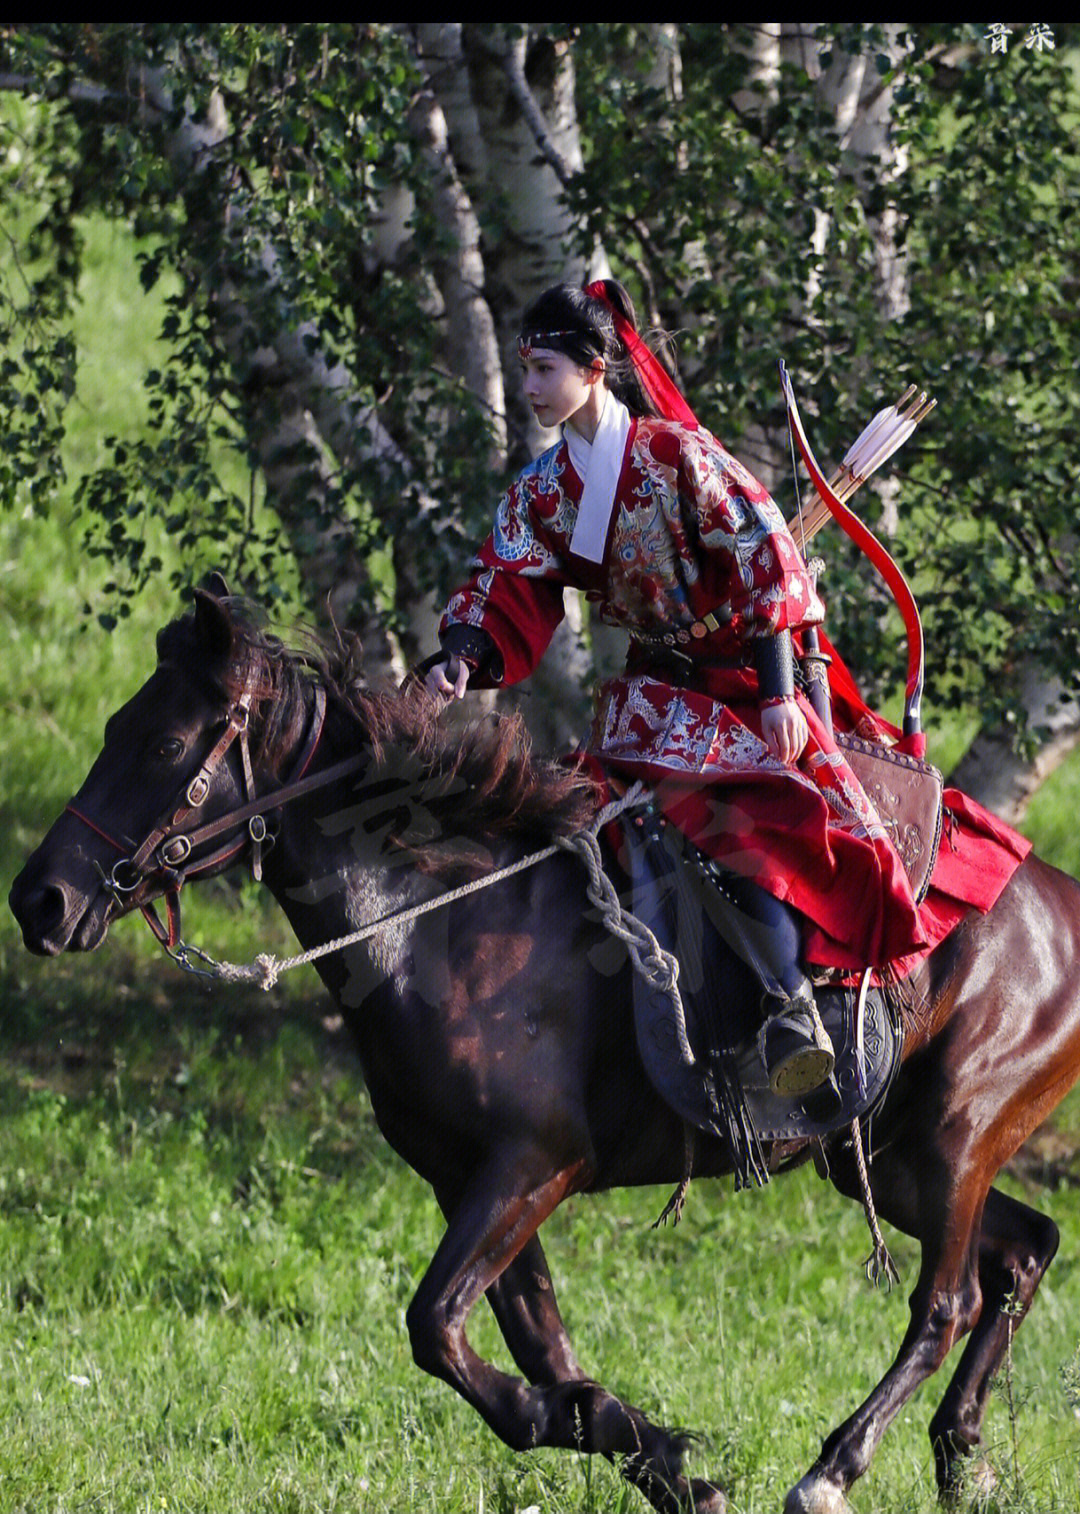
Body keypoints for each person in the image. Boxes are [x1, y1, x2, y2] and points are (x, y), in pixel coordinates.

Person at [421, 280, 927, 1097]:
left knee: (726, 816)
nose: (529, 388)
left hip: (743, 679)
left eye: (543, 369)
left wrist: (774, 693)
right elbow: (503, 582)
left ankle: (790, 1006)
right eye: (524, 371)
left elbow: (771, 559)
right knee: (579, 823)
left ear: (593, 370)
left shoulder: (677, 456)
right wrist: (461, 654)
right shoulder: (545, 489)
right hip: (652, 690)